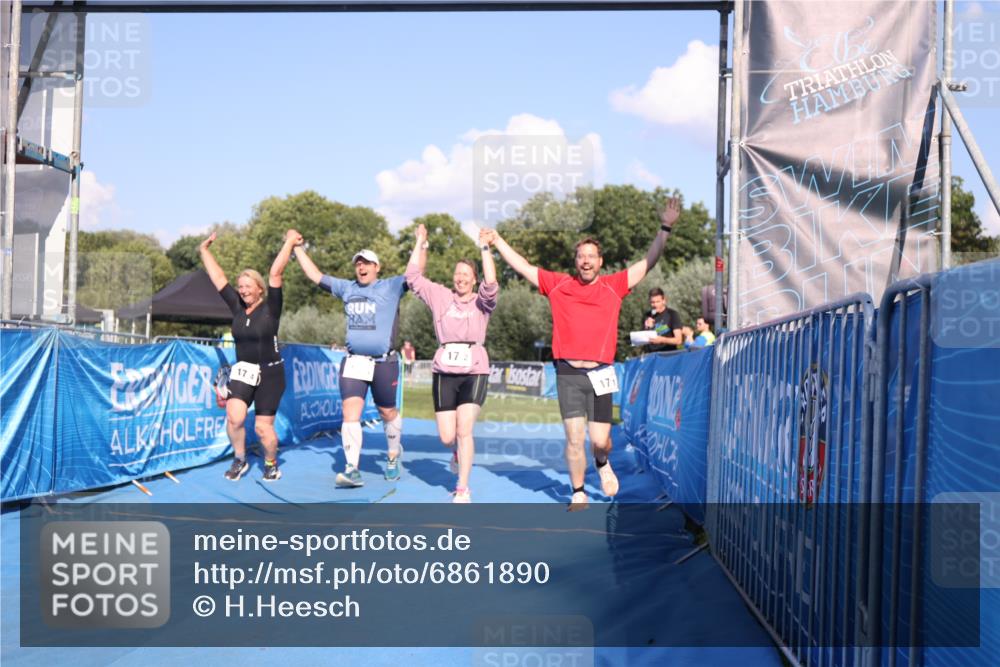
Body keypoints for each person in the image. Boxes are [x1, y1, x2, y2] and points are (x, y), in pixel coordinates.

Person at [487, 197, 681, 509]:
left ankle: (603, 463)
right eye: (581, 257)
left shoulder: (613, 286)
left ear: (601, 261)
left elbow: (649, 261)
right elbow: (522, 265)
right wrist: (497, 241)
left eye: (592, 256)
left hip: (601, 372)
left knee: (600, 441)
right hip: (568, 372)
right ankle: (578, 490)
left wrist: (666, 227)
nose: (586, 261)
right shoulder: (558, 284)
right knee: (575, 439)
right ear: (575, 261)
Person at [293, 239, 408, 487]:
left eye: (366, 263)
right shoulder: (347, 288)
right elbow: (315, 275)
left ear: (377, 267)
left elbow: (415, 272)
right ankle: (352, 468)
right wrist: (296, 248)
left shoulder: (390, 287)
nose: (361, 267)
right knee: (350, 413)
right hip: (355, 361)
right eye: (358, 264)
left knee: (387, 412)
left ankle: (392, 455)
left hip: (383, 362)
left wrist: (421, 242)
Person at [405, 223, 498, 503]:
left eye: (466, 275)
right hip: (444, 371)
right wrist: (421, 241)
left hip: (474, 371)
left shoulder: (482, 303)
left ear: (473, 279)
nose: (460, 278)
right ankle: (456, 451)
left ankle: (462, 488)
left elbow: (491, 283)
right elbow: (412, 276)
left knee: (464, 429)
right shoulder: (441, 296)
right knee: (447, 437)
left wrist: (484, 248)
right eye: (457, 274)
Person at [200, 228, 299, 482]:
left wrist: (288, 242)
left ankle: (270, 463)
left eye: (248, 286)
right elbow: (218, 277)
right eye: (240, 286)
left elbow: (276, 272)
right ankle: (240, 459)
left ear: (260, 290)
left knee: (262, 428)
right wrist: (203, 250)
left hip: (270, 373)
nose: (242, 290)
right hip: (244, 370)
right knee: (234, 418)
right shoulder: (236, 307)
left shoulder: (271, 309)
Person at [643, 287, 683, 352]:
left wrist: (662, 340)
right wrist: (646, 328)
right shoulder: (647, 316)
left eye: (658, 302)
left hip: (667, 357)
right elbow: (644, 341)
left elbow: (679, 340)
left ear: (664, 300)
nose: (655, 305)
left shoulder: (672, 314)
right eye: (652, 302)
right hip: (651, 357)